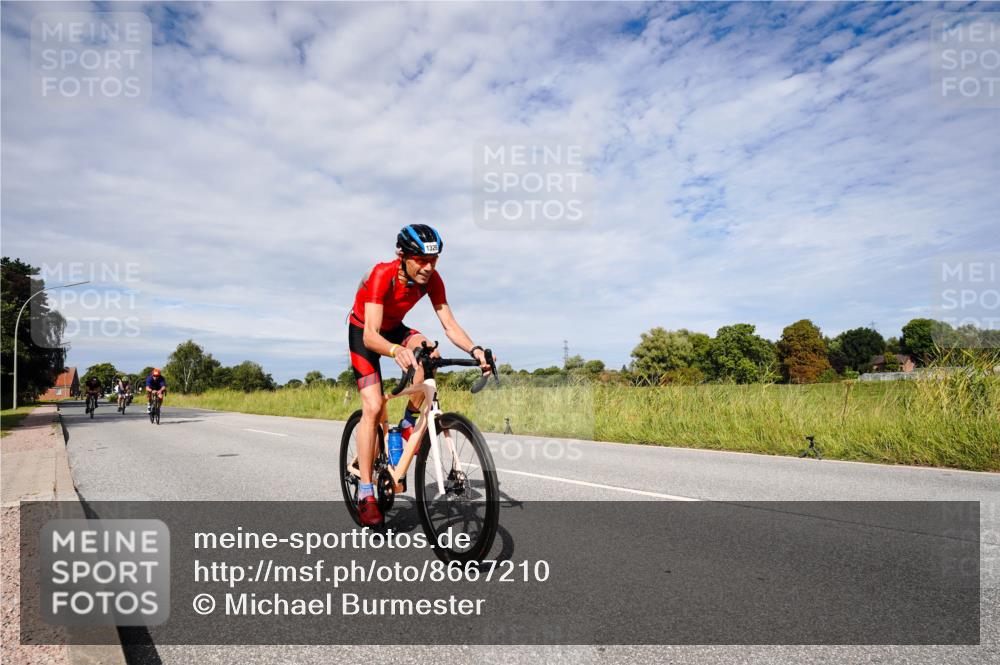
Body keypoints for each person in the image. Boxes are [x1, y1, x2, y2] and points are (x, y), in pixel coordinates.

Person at [348, 224, 492, 526]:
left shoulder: (432, 280)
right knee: (373, 405)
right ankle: (365, 491)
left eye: (434, 260)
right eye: (422, 260)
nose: (428, 267)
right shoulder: (382, 274)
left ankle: (407, 423)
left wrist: (475, 349)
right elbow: (372, 335)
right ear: (402, 256)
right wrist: (394, 351)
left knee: (431, 354)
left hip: (395, 329)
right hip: (364, 332)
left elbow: (449, 325)